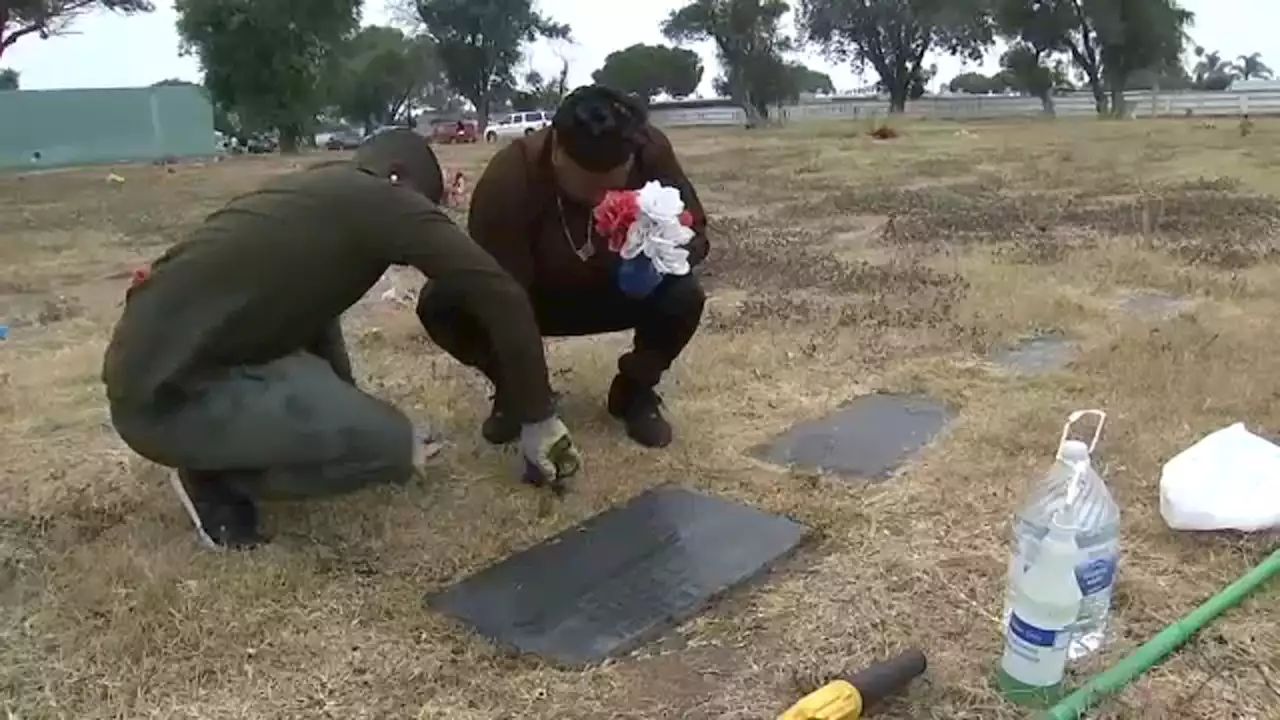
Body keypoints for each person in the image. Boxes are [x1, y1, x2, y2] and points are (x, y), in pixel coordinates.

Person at [102, 129, 580, 551]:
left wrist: (349, 412)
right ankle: (213, 477)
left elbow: (313, 317)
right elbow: (499, 293)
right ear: (399, 178)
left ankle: (215, 449)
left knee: (367, 428)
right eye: (423, 206)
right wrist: (538, 416)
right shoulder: (378, 200)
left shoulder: (317, 196)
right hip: (167, 394)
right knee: (391, 446)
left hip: (161, 370)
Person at [417, 85, 710, 450]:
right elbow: (498, 295)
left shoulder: (649, 151)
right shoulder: (511, 176)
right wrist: (534, 405)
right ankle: (512, 390)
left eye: (611, 181)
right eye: (587, 182)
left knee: (685, 294)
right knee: (442, 301)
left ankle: (634, 390)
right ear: (556, 149)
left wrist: (659, 255)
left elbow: (695, 230)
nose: (599, 195)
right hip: (533, 298)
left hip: (620, 290)